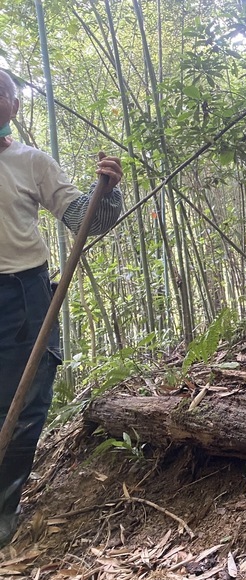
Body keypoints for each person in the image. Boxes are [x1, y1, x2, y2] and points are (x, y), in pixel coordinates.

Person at [0, 70, 124, 547]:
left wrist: (107, 191)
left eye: (2, 96)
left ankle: (2, 506)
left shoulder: (32, 162)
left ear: (14, 107)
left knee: (27, 404)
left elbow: (86, 221)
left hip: (25, 295)